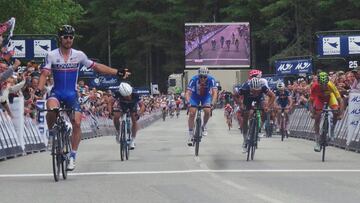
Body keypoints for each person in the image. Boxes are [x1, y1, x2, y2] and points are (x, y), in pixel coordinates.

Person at [35, 25, 130, 171]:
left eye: (71, 37)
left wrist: (117, 72)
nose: (68, 39)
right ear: (60, 39)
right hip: (57, 93)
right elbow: (44, 74)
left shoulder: (79, 55)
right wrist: (39, 89)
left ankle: (72, 156)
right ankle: (52, 135)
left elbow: (97, 67)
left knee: (77, 123)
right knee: (52, 109)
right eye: (65, 37)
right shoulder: (52, 55)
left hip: (72, 94)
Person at [236, 77, 275, 152]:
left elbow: (273, 96)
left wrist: (268, 106)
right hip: (248, 99)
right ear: (250, 88)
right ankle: (245, 140)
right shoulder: (245, 87)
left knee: (264, 110)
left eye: (257, 91)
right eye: (253, 91)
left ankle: (260, 127)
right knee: (246, 115)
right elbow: (235, 95)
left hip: (259, 99)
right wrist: (240, 104)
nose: (255, 93)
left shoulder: (263, 87)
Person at [309, 72, 344, 152]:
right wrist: (312, 112)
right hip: (319, 99)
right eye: (321, 84)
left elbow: (340, 100)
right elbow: (310, 101)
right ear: (318, 82)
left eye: (325, 84)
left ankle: (332, 129)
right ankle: (317, 141)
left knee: (335, 111)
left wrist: (340, 113)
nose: (323, 86)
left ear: (327, 82)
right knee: (317, 117)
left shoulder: (331, 85)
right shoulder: (314, 86)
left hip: (330, 97)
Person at [185, 67, 217, 146]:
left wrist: (212, 103)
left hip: (206, 97)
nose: (203, 78)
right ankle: (190, 134)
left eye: (205, 77)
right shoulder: (193, 79)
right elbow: (188, 93)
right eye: (201, 76)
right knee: (192, 113)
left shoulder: (211, 79)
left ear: (207, 76)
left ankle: (204, 126)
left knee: (207, 111)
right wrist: (188, 102)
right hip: (194, 96)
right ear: (198, 75)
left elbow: (215, 93)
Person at [112, 82, 145, 149]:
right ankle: (118, 132)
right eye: (125, 96)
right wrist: (110, 112)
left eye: (129, 96)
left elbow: (142, 106)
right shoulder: (117, 92)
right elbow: (110, 102)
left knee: (134, 119)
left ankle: (133, 140)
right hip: (122, 104)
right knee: (116, 117)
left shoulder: (136, 93)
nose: (128, 97)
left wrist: (139, 113)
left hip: (132, 105)